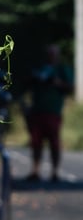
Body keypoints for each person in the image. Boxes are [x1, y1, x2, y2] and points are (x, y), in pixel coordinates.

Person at [25, 44, 74, 182]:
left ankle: (55, 171)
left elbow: (70, 87)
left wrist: (56, 82)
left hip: (53, 111)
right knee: (36, 142)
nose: (51, 56)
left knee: (54, 142)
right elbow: (28, 82)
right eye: (49, 53)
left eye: (54, 54)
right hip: (37, 110)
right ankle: (35, 170)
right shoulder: (39, 67)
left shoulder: (61, 69)